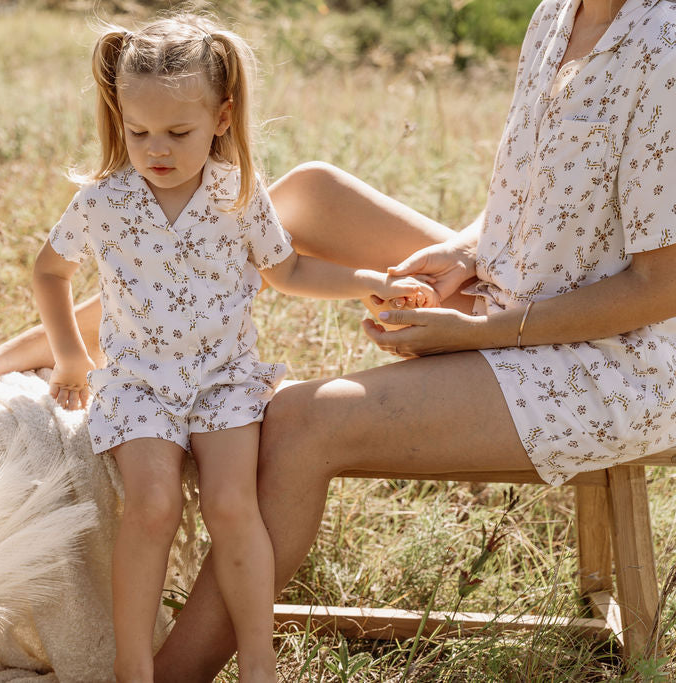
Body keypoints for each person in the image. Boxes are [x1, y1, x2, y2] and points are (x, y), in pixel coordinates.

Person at [0, 0, 676, 679]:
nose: (159, 147)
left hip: (610, 355)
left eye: (178, 133)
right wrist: (463, 254)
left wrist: (483, 329)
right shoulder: (557, 14)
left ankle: (166, 676)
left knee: (301, 418)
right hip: (518, 283)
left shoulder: (662, 44)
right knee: (300, 195)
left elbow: (659, 287)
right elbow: (527, 195)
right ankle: (52, 347)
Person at [28, 14, 435, 683]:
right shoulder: (105, 200)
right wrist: (71, 356)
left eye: (178, 132)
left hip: (225, 381)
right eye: (139, 132)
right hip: (139, 385)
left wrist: (366, 281)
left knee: (230, 504)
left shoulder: (237, 193)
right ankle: (135, 666)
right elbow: (50, 271)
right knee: (152, 505)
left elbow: (289, 270)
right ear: (119, 116)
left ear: (221, 117)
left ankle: (258, 661)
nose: (156, 148)